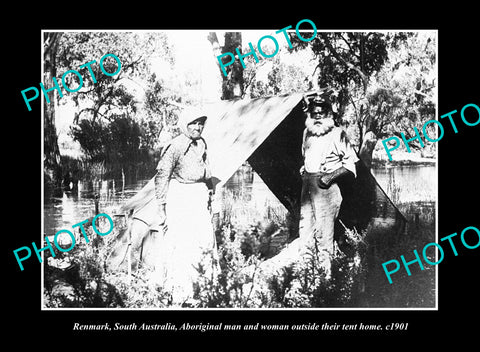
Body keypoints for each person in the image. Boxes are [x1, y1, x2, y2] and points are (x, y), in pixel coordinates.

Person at [152, 107, 218, 305]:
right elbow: (162, 175)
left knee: (204, 240)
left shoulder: (202, 144)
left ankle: (205, 286)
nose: (198, 127)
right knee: (182, 243)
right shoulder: (176, 146)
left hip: (198, 196)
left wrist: (211, 196)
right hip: (181, 197)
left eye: (201, 123)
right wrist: (161, 207)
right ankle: (182, 290)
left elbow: (207, 171)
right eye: (193, 123)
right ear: (185, 125)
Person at [298, 92, 359, 276]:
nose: (317, 117)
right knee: (305, 230)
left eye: (321, 113)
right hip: (307, 187)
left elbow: (350, 164)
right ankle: (307, 276)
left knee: (324, 235)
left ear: (328, 114)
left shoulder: (337, 133)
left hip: (326, 189)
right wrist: (305, 169)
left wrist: (330, 176)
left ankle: (325, 279)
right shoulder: (306, 132)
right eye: (314, 113)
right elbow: (306, 156)